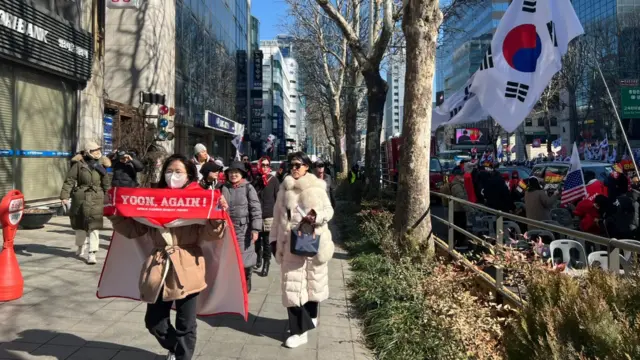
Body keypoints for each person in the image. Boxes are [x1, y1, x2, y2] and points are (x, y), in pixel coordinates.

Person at [108, 154, 230, 360]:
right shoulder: (152, 198)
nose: (173, 175)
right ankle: (176, 346)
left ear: (189, 175)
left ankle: (183, 356)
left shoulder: (199, 197)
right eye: (169, 171)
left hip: (188, 263)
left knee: (186, 323)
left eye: (178, 172)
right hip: (159, 264)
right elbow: (133, 229)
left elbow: (212, 234)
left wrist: (218, 215)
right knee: (154, 321)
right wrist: (114, 210)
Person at [269, 152, 334, 349]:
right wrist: (273, 241)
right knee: (293, 289)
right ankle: (299, 331)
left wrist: (316, 215)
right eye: (292, 165)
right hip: (290, 245)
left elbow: (329, 211)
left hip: (313, 244)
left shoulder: (317, 188)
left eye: (298, 165)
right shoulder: (284, 188)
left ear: (307, 167)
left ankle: (311, 317)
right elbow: (277, 218)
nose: (294, 168)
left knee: (312, 285)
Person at [60, 141, 111, 265]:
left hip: (96, 197)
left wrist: (108, 197)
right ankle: (80, 246)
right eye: (95, 150)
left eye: (99, 149)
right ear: (88, 151)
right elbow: (69, 181)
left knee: (94, 226)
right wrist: (64, 196)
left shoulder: (101, 164)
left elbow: (106, 183)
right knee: (80, 226)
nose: (98, 151)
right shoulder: (78, 164)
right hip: (80, 197)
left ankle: (92, 253)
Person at [221, 161, 262, 293]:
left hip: (244, 230)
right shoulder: (223, 188)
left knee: (244, 259)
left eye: (236, 172)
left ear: (242, 174)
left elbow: (255, 209)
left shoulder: (248, 188)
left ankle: (246, 277)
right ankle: (233, 285)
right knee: (230, 259)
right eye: (231, 172)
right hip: (227, 228)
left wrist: (256, 229)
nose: (233, 175)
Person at [252, 156, 280, 277]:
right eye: (262, 165)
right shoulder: (255, 179)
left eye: (266, 165)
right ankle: (258, 256)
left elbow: (278, 197)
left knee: (267, 242)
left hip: (269, 215)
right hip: (257, 215)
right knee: (257, 240)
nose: (264, 167)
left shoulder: (273, 180)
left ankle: (266, 264)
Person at [450, 167, 471, 250]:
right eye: (462, 175)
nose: (463, 177)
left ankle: (458, 243)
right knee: (460, 227)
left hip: (457, 209)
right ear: (458, 176)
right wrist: (469, 209)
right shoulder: (457, 186)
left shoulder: (457, 184)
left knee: (458, 227)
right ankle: (459, 244)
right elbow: (461, 199)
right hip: (458, 210)